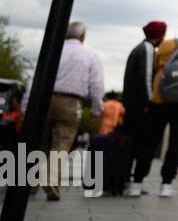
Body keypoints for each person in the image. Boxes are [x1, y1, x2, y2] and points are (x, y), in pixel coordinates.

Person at [128, 16, 178, 198]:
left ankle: (137, 182)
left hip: (161, 100)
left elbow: (158, 65)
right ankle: (166, 184)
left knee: (150, 141)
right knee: (176, 143)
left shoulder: (167, 45)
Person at [25, 21, 105, 200]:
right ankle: (50, 180)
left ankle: (30, 182)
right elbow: (97, 85)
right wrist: (96, 110)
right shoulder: (90, 55)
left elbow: (34, 78)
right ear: (83, 37)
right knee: (62, 142)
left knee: (39, 140)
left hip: (44, 99)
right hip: (71, 102)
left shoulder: (52, 50)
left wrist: (26, 106)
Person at [123, 20, 165, 157]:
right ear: (158, 36)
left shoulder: (139, 47)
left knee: (130, 137)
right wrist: (149, 101)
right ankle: (127, 172)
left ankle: (124, 171)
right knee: (135, 139)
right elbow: (145, 76)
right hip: (138, 103)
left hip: (131, 101)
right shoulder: (147, 48)